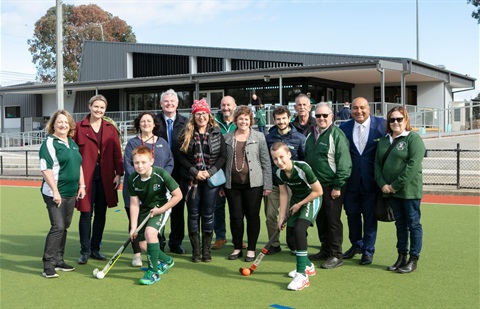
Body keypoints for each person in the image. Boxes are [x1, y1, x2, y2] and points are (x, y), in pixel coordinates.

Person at [374, 106, 425, 274]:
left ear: (406, 120)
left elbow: (412, 166)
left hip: (408, 191)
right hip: (390, 192)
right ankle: (401, 256)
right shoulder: (383, 140)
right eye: (392, 119)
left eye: (399, 119)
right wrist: (383, 184)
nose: (395, 122)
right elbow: (377, 165)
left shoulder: (413, 139)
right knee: (400, 224)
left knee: (413, 224)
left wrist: (394, 185)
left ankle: (413, 258)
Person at [74, 95, 124, 265]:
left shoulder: (110, 128)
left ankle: (95, 249)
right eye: (96, 106)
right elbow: (74, 155)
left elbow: (117, 152)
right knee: (86, 213)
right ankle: (85, 251)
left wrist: (119, 173)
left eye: (102, 108)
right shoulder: (79, 127)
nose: (99, 110)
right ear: (90, 106)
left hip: (106, 176)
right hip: (85, 177)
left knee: (101, 213)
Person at [336, 97, 386, 265]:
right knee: (352, 216)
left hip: (372, 183)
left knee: (370, 219)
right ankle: (356, 245)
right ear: (351, 110)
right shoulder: (344, 127)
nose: (359, 111)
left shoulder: (382, 125)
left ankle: (368, 250)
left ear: (369, 109)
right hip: (351, 183)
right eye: (355, 108)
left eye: (362, 108)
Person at [177, 99, 226, 262]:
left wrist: (210, 172)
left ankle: (206, 251)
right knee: (193, 214)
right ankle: (196, 252)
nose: (201, 117)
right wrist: (194, 171)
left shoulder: (217, 132)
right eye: (198, 114)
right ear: (194, 116)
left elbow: (222, 157)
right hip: (191, 180)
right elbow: (181, 156)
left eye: (204, 113)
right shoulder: (186, 133)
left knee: (208, 214)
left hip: (211, 180)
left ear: (208, 115)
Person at [123, 112, 174, 267]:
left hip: (157, 192)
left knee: (153, 228)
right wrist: (142, 182)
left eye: (149, 121)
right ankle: (137, 254)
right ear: (139, 124)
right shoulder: (132, 143)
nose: (145, 123)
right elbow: (128, 164)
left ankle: (157, 256)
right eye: (142, 121)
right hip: (136, 190)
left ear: (154, 124)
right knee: (135, 223)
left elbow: (169, 162)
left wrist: (162, 180)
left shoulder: (162, 142)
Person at [305, 102, 352, 269]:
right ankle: (325, 250)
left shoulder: (337, 135)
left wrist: (338, 186)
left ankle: (336, 254)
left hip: (332, 186)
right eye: (318, 116)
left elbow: (345, 164)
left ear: (332, 117)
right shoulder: (311, 135)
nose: (321, 118)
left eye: (325, 115)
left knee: (333, 221)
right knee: (321, 219)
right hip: (316, 187)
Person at [39, 110, 86, 278]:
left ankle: (59, 260)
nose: (63, 125)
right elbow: (46, 169)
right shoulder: (50, 143)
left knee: (64, 227)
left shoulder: (71, 143)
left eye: (66, 122)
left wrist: (82, 185)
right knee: (57, 226)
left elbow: (78, 165)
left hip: (71, 192)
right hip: (54, 193)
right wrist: (55, 192)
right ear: (53, 124)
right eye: (60, 122)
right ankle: (48, 264)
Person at [223, 105, 272, 262]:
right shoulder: (227, 138)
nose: (243, 121)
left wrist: (267, 185)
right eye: (240, 118)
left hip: (254, 184)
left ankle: (251, 249)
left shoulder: (259, 137)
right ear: (235, 120)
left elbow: (266, 161)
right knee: (235, 217)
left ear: (250, 121)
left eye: (246, 119)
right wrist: (221, 185)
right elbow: (223, 161)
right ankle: (237, 247)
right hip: (232, 185)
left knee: (252, 217)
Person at [271, 142, 323, 291]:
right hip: (296, 201)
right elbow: (283, 193)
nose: (279, 162)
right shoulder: (279, 172)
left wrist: (300, 204)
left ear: (289, 155)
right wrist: (281, 217)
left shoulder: (302, 167)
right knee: (292, 235)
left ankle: (302, 275)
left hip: (311, 199)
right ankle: (308, 266)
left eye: (281, 157)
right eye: (275, 159)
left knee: (300, 230)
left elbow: (318, 191)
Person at [128, 145, 183, 285]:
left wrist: (161, 210)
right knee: (143, 244)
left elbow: (178, 195)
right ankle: (166, 261)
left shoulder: (161, 174)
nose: (140, 166)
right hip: (145, 209)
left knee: (150, 233)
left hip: (161, 208)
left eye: (143, 162)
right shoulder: (133, 179)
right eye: (136, 163)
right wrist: (133, 227)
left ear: (151, 161)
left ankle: (153, 273)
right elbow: (134, 204)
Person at [264, 106, 306, 255]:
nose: (281, 121)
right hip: (274, 184)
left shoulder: (299, 138)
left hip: (293, 186)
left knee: (292, 215)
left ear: (289, 119)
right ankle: (274, 244)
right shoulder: (268, 138)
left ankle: (295, 243)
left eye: (283, 118)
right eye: (278, 119)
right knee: (270, 216)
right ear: (274, 120)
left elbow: (303, 161)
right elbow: (266, 162)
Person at [155, 89, 189, 254]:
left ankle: (176, 242)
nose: (169, 104)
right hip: (159, 172)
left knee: (177, 209)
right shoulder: (154, 122)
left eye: (172, 101)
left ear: (177, 103)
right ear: (161, 104)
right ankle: (159, 241)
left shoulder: (186, 122)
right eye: (166, 101)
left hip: (179, 172)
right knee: (159, 207)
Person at [212, 95, 237, 250]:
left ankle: (237, 238)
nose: (226, 107)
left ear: (235, 106)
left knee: (236, 209)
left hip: (236, 174)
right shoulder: (214, 123)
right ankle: (220, 237)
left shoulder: (241, 122)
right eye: (223, 105)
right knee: (218, 208)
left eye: (228, 105)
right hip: (218, 173)